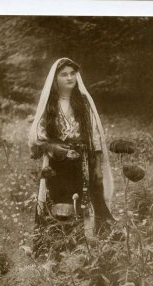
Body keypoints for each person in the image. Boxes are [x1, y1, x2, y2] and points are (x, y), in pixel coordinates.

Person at [28, 58, 115, 236]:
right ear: (55, 79)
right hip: (57, 166)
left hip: (84, 162)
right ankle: (58, 245)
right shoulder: (49, 104)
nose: (69, 78)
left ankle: (90, 243)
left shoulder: (83, 102)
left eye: (72, 74)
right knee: (58, 204)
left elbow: (95, 135)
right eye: (64, 74)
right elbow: (37, 135)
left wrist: (98, 167)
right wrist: (52, 147)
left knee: (87, 200)